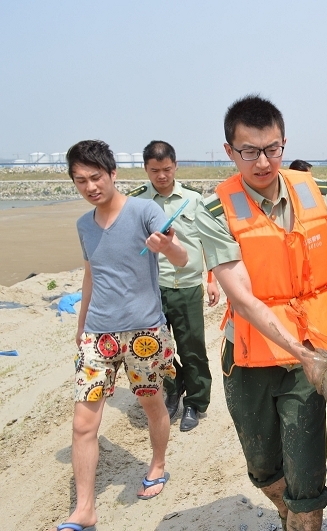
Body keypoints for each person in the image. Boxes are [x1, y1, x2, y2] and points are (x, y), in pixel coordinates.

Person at [195, 95, 327, 531]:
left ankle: (302, 514)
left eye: (272, 148)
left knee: (306, 483)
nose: (263, 162)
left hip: (311, 359)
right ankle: (286, 507)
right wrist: (296, 348)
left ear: (284, 144)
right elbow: (246, 300)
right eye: (249, 151)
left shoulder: (320, 194)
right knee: (264, 470)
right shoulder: (214, 210)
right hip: (249, 358)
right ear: (230, 151)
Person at [53, 140, 188, 531]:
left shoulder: (144, 210)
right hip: (98, 336)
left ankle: (158, 464)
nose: (90, 186)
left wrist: (167, 247)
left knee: (152, 405)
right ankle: (84, 509)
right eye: (81, 181)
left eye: (96, 177)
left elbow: (181, 256)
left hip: (144, 332)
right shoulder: (83, 225)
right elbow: (91, 273)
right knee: (82, 423)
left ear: (112, 174)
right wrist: (81, 326)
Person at [128, 140, 219, 432]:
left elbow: (208, 244)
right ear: (146, 169)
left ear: (175, 166)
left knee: (192, 347)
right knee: (153, 348)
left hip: (187, 285)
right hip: (151, 289)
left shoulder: (193, 200)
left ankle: (195, 401)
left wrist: (212, 279)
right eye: (155, 170)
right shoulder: (137, 202)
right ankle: (173, 384)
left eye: (167, 169)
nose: (162, 176)